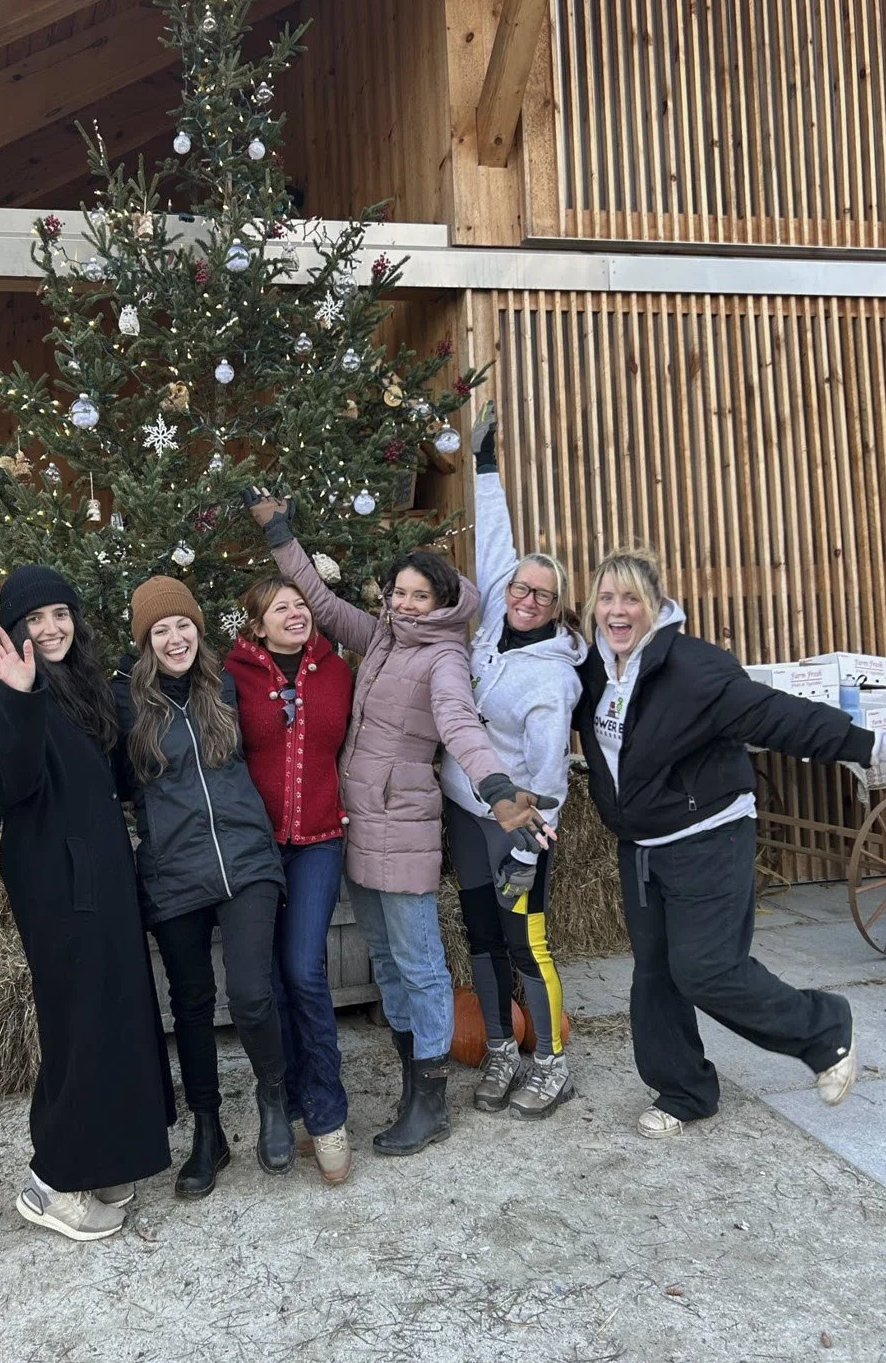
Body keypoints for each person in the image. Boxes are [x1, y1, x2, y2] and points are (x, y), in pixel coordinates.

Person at [245, 491, 555, 1157]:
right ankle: (412, 1084)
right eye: (399, 592)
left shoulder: (442, 656)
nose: (405, 603)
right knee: (384, 957)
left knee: (416, 961)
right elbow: (321, 605)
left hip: (404, 822)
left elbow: (458, 722)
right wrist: (278, 532)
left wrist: (496, 786)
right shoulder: (383, 635)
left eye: (419, 595)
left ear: (442, 602)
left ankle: (430, 1098)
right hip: (358, 821)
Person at [575, 546, 886, 1137]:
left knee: (706, 968)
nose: (618, 611)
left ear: (657, 605)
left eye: (631, 599)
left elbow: (776, 715)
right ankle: (684, 1091)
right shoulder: (594, 669)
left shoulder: (696, 668)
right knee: (655, 974)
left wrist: (867, 746)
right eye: (607, 599)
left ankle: (823, 1028)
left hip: (707, 836)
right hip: (640, 844)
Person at [0, 566, 175, 1242]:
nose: (50, 627)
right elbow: (12, 781)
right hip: (55, 879)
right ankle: (52, 1181)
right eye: (34, 618)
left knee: (114, 1010)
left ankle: (102, 1156)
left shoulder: (88, 687)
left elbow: (116, 773)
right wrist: (18, 695)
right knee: (78, 1020)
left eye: (60, 613)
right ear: (15, 629)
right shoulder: (9, 693)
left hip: (102, 872)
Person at [113, 576, 291, 1200]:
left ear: (198, 627)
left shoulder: (232, 686)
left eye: (182, 624)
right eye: (159, 630)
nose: (174, 637)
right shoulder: (125, 704)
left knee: (248, 991)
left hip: (246, 860)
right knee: (190, 1002)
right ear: (145, 642)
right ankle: (208, 1129)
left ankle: (274, 1095)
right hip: (173, 871)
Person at [438, 403, 585, 1120]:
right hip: (466, 814)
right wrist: (486, 465)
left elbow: (550, 773)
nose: (523, 598)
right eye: (519, 588)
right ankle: (498, 1044)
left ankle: (552, 1061)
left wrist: (531, 838)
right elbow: (496, 545)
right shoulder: (497, 618)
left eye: (540, 593)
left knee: (526, 939)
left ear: (558, 606)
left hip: (515, 823)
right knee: (480, 935)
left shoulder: (552, 679)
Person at [225, 575, 355, 1185]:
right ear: (256, 624)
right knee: (269, 980)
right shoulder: (231, 677)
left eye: (301, 605)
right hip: (255, 849)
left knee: (304, 968)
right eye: (281, 608)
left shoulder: (336, 670)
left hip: (320, 842)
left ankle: (328, 1112)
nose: (295, 614)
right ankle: (288, 1102)